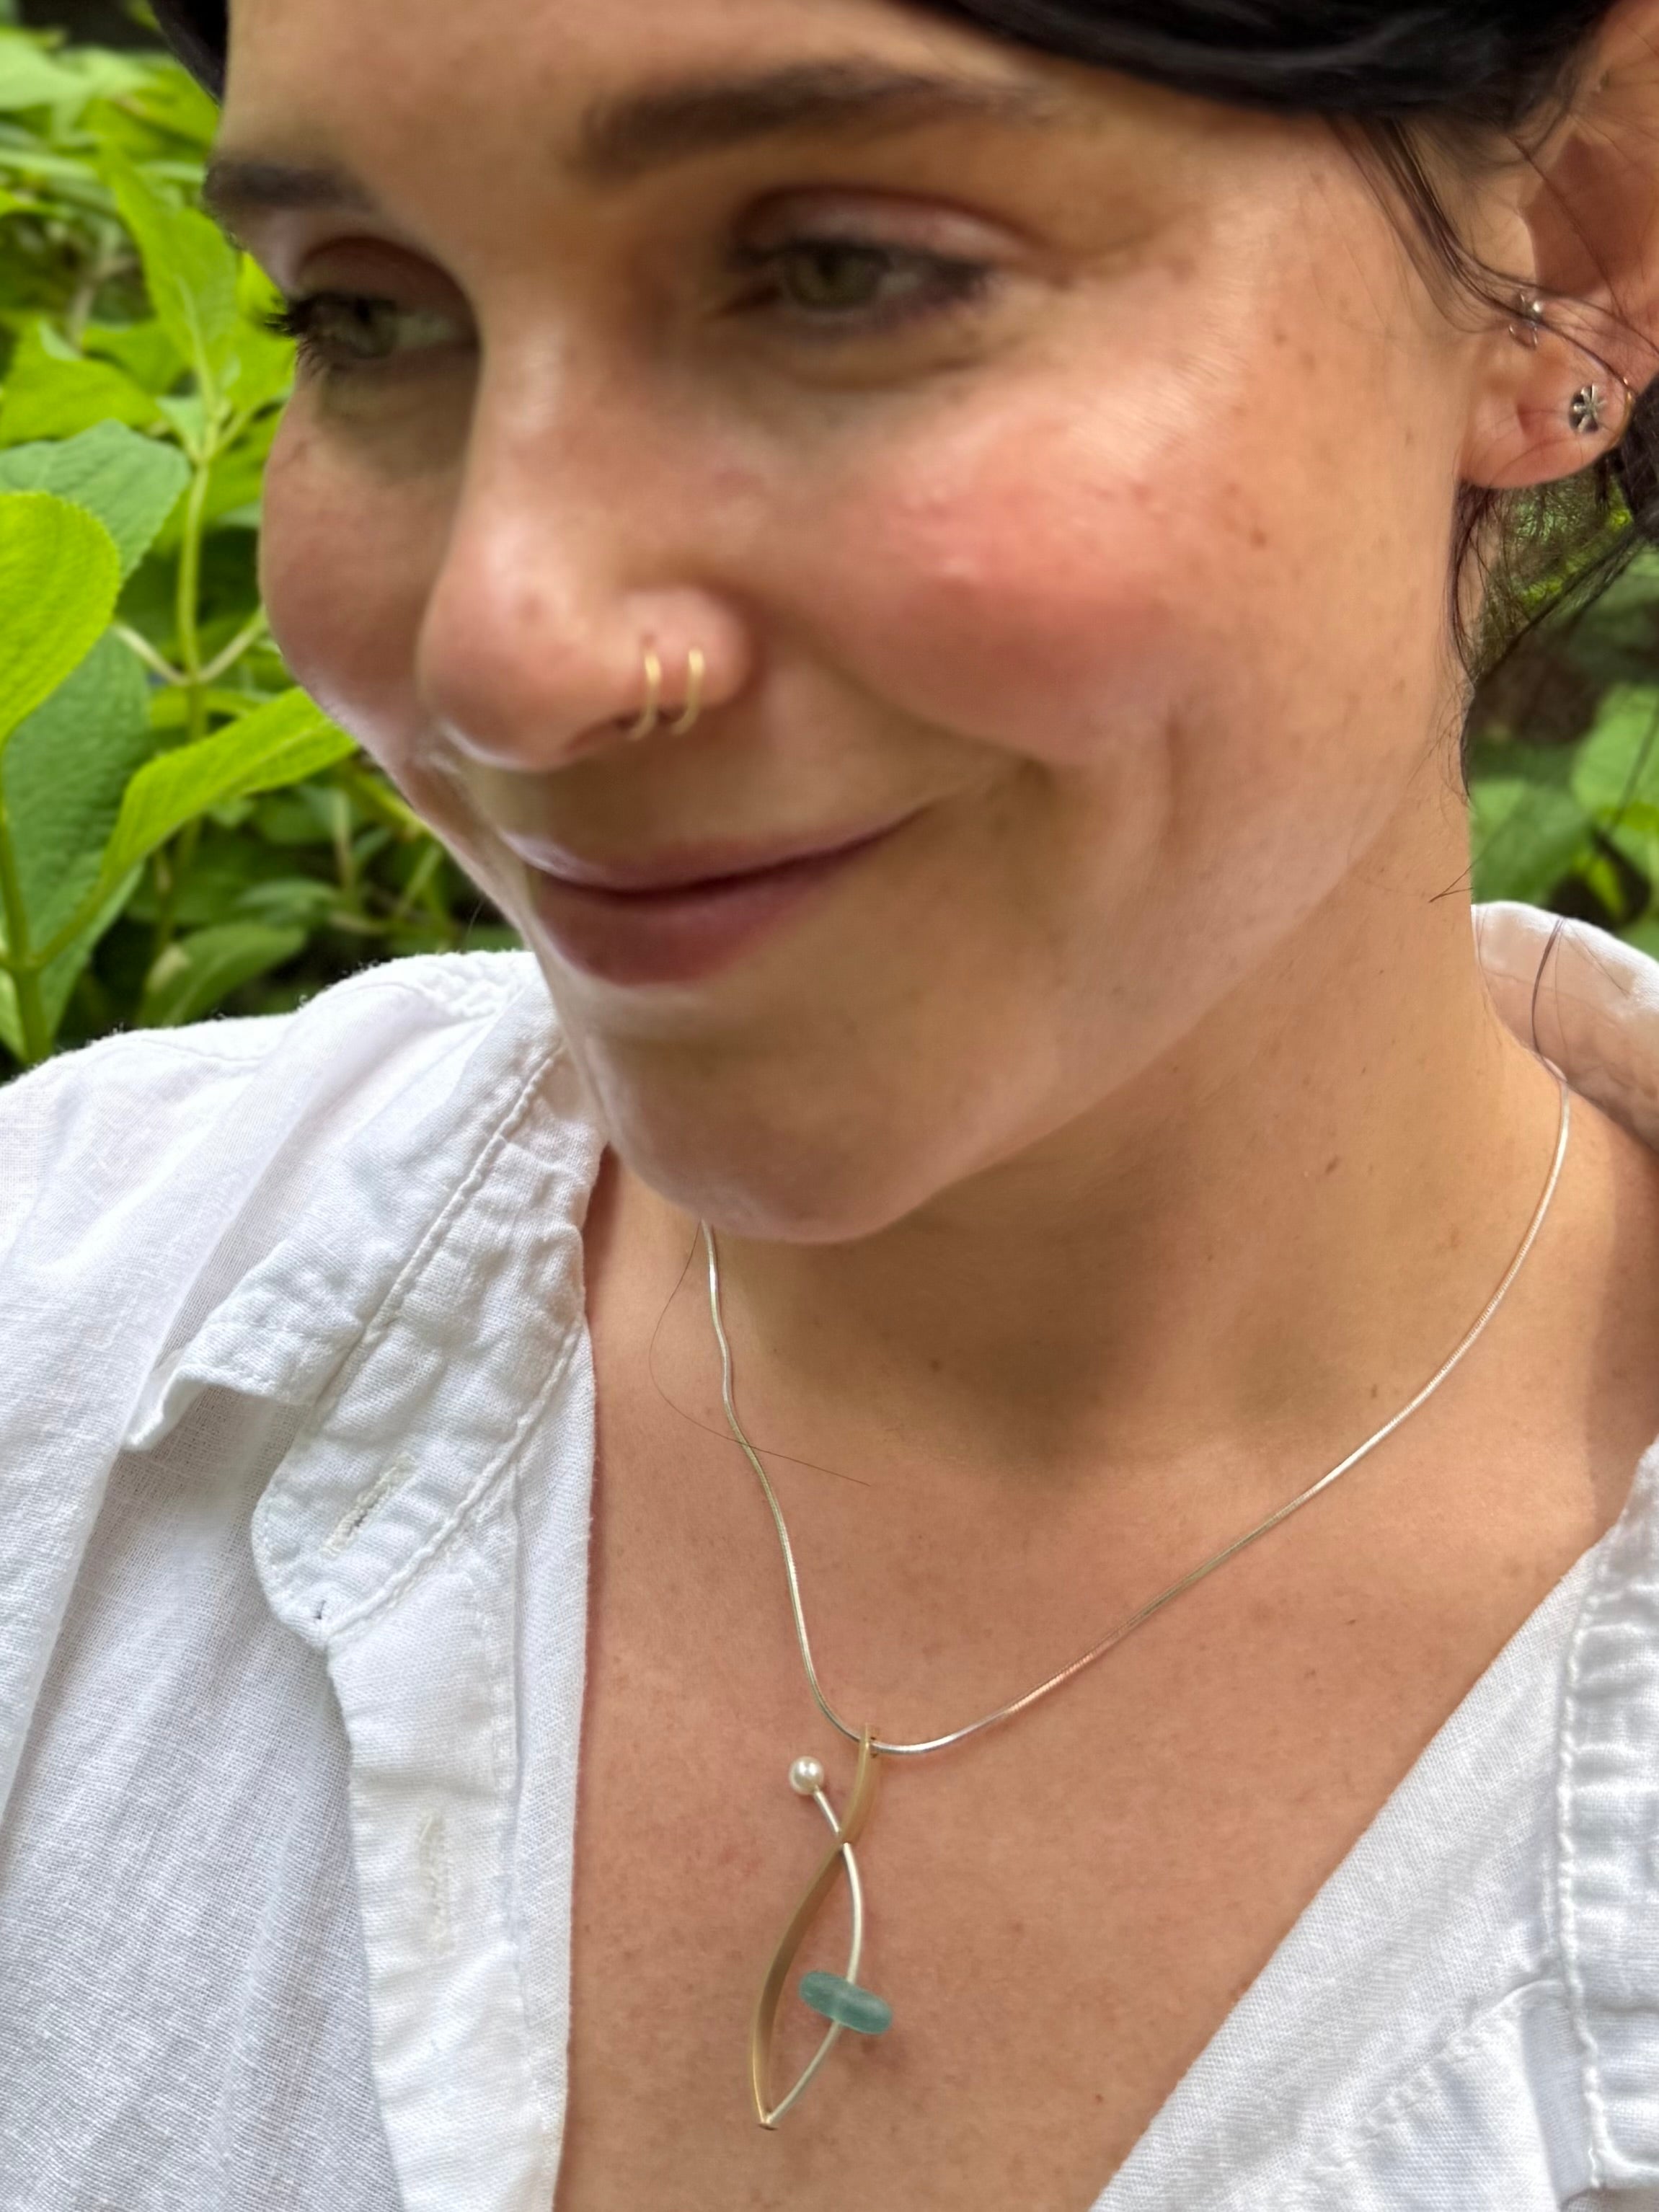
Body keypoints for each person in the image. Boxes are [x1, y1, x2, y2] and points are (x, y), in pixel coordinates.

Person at [8, 0, 1659, 2203]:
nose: (502, 656)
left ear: (1573, 244)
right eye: (369, 316)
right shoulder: (67, 1330)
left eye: (841, 272)